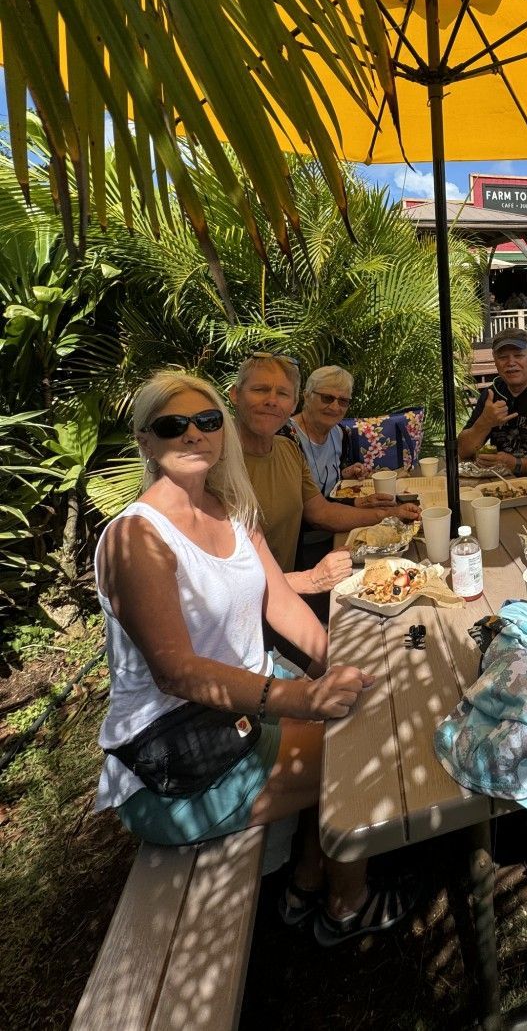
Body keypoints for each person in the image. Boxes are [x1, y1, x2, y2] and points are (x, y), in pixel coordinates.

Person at [94, 371, 413, 946]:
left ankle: (308, 879)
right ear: (145, 441)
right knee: (364, 753)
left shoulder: (230, 508)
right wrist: (300, 696)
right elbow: (178, 671)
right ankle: (347, 903)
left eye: (207, 420)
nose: (195, 434)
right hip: (180, 751)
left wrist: (335, 665)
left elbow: (281, 601)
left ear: (223, 430)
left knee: (366, 707)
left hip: (254, 698)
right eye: (174, 425)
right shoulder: (136, 537)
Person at [230, 354, 420, 596]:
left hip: (287, 590)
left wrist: (390, 513)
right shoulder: (216, 464)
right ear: (235, 394)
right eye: (260, 389)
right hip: (252, 604)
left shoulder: (286, 449)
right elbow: (222, 577)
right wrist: (312, 580)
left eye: (282, 394)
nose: (271, 401)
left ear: (292, 403)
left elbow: (320, 511)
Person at [290, 365, 366, 575]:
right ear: (306, 396)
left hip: (336, 533)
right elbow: (311, 512)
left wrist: (343, 474)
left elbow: (322, 482)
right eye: (327, 398)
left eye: (343, 401)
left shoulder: (339, 433)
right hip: (302, 547)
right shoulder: (287, 438)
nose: (335, 406)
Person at [458, 328, 527, 475]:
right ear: (494, 360)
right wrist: (484, 422)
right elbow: (463, 451)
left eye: (518, 355)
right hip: (499, 483)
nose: (511, 362)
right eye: (503, 357)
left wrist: (517, 464)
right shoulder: (491, 394)